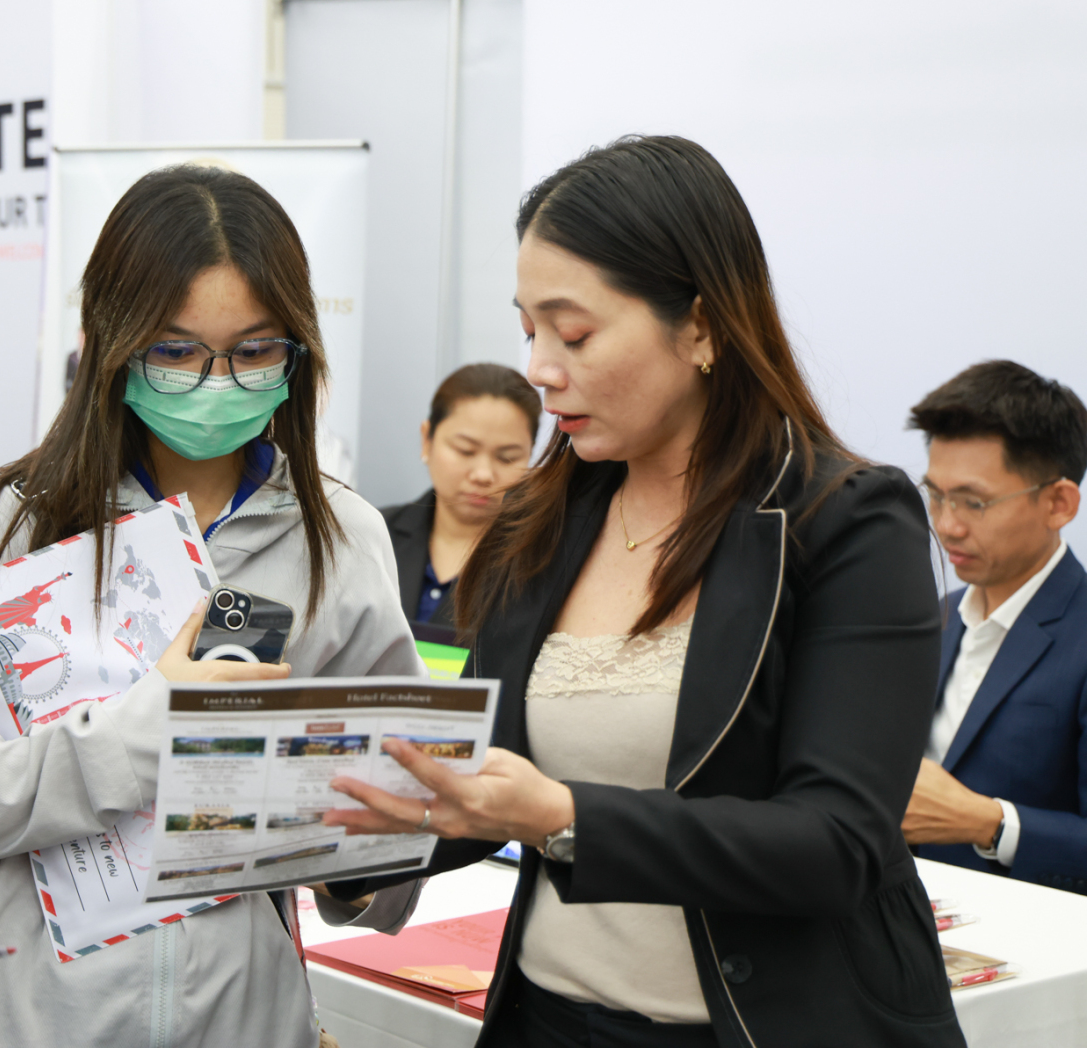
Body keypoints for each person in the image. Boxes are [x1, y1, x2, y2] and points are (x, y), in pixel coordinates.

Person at [322, 136, 965, 1047]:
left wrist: (565, 817)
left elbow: (836, 844)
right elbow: (485, 787)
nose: (542, 368)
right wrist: (328, 840)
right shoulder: (538, 519)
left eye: (575, 333)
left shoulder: (843, 522)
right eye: (529, 331)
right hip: (548, 1018)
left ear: (699, 326)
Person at [0, 164, 424, 1048]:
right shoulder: (12, 525)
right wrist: (146, 733)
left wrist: (357, 862)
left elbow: (389, 830)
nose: (218, 382)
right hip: (29, 1021)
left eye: (254, 351)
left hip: (244, 1021)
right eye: (175, 352)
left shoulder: (343, 537)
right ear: (112, 343)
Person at [902, 361, 1087, 894]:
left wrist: (991, 823)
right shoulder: (930, 617)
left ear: (1058, 504)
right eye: (935, 495)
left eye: (974, 502)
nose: (946, 524)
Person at [381, 363, 539, 629]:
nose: (483, 474)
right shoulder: (374, 534)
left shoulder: (542, 560)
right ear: (427, 440)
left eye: (507, 457)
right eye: (465, 450)